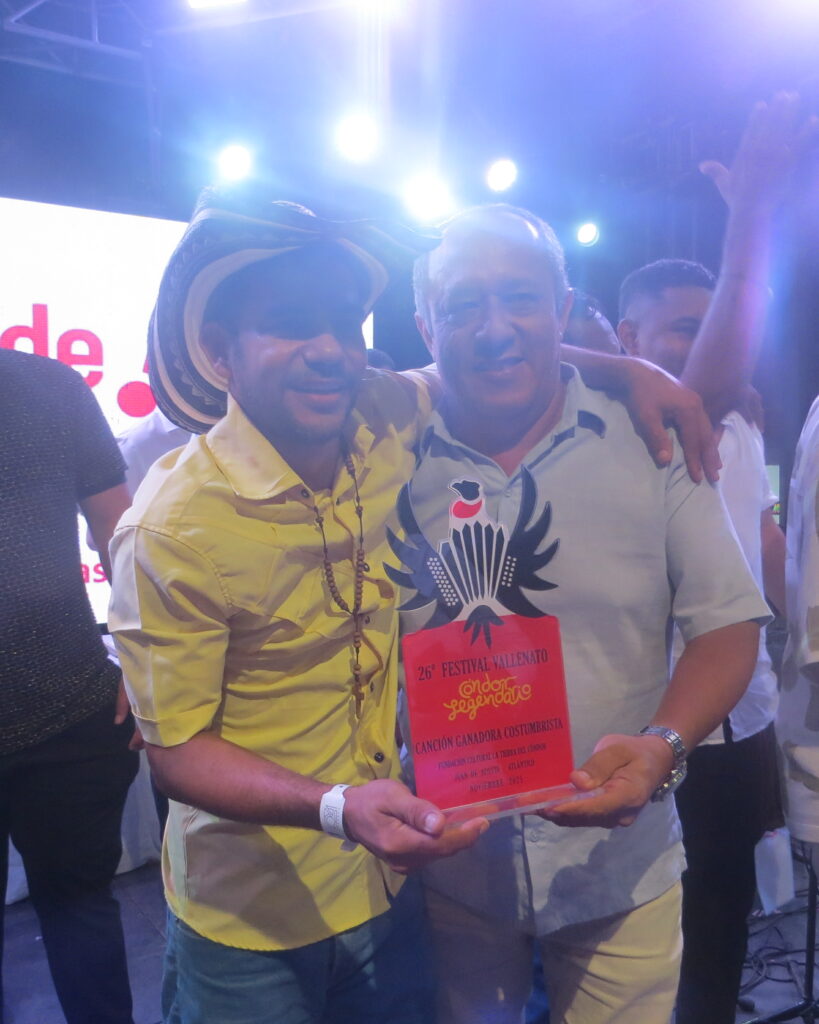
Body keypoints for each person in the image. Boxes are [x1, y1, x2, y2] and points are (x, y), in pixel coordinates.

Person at [108, 188, 723, 1024]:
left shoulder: (378, 420)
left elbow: (493, 349)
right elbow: (175, 752)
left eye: (344, 324)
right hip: (256, 915)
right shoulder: (172, 526)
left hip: (391, 888)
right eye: (291, 324)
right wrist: (337, 808)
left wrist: (628, 367)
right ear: (220, 352)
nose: (328, 351)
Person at [392, 201, 770, 1024]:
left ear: (561, 311)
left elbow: (726, 625)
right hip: (443, 863)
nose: (495, 328)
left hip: (617, 863)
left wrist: (663, 744)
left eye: (521, 298)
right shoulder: (381, 449)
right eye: (463, 306)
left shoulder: (651, 439)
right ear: (426, 327)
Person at [616, 93, 814, 1024]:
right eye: (677, 330)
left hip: (748, 718)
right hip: (662, 725)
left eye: (710, 323)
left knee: (725, 932)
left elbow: (762, 535)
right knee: (658, 944)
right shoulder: (632, 420)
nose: (700, 344)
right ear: (628, 343)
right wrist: (755, 213)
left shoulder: (737, 419)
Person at [0, 348, 138, 1024]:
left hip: (68, 709)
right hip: (68, 709)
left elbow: (118, 526)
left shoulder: (49, 386)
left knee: (81, 914)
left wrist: (145, 655)